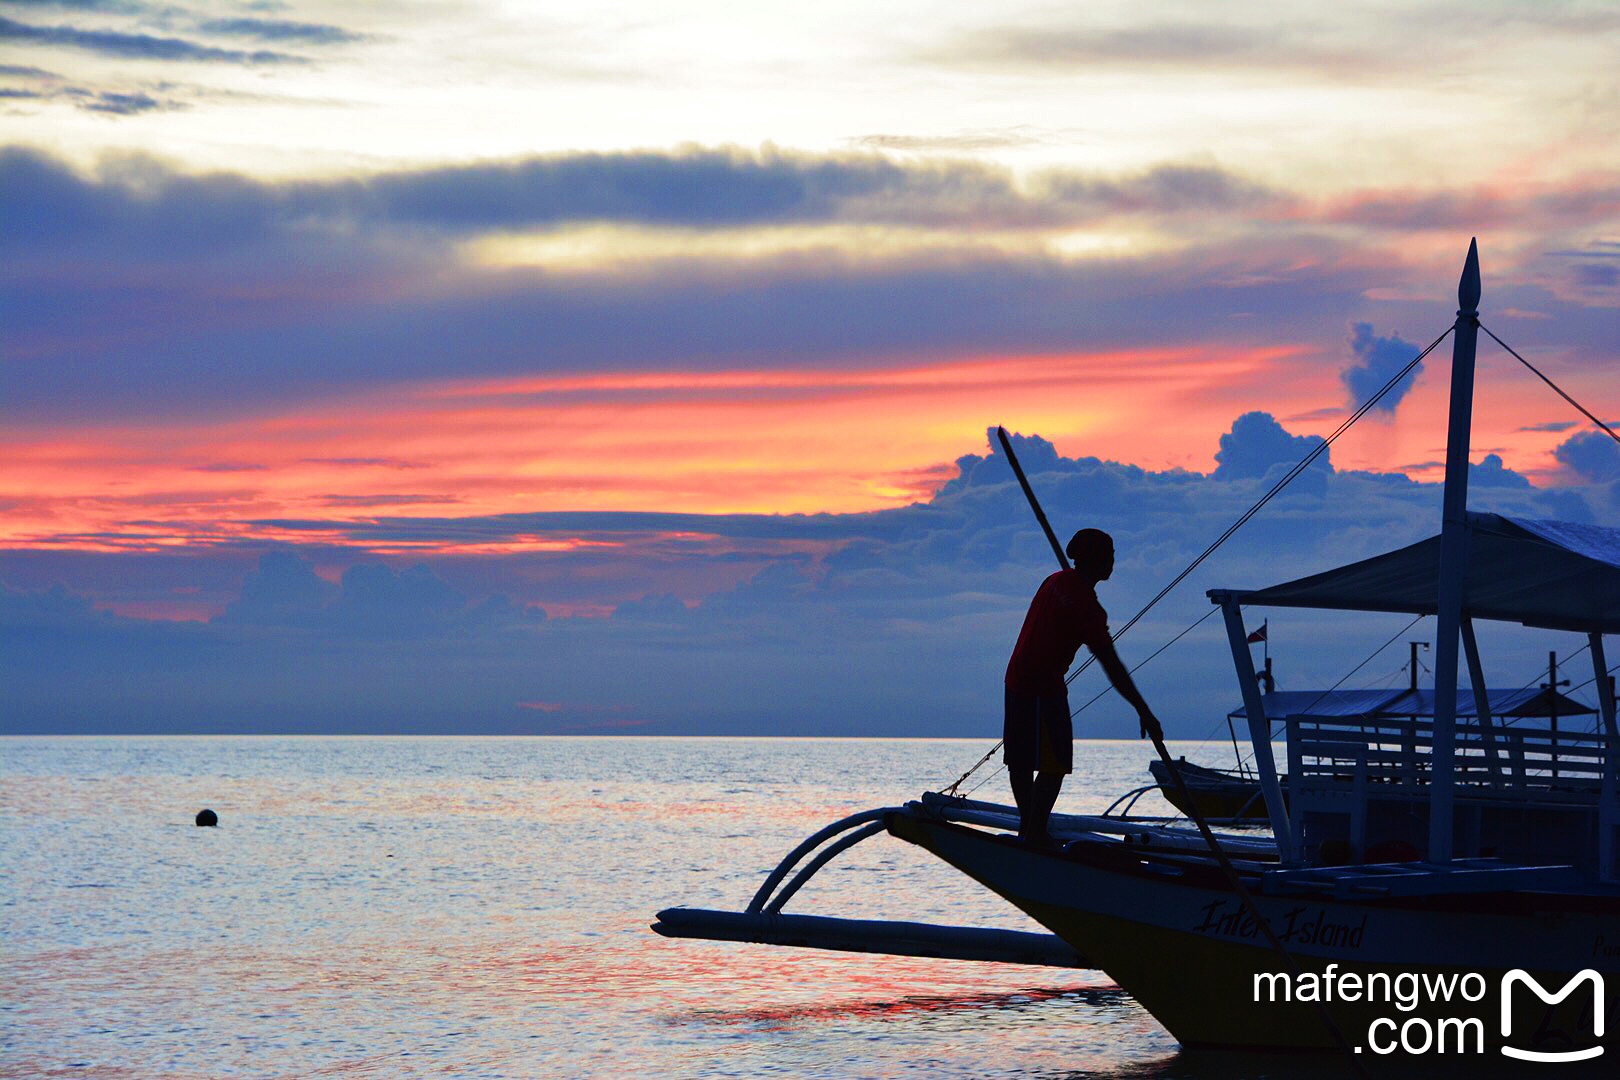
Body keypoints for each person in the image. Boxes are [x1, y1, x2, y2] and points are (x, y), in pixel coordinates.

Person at [1004, 528, 1164, 842]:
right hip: (1041, 684)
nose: (1114, 561)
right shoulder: (1086, 606)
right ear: (1096, 559)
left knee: (1024, 759)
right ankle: (1033, 830)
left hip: (1017, 676)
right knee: (1055, 761)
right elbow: (1112, 666)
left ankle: (1029, 827)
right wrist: (1144, 711)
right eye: (1110, 554)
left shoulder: (1056, 580)